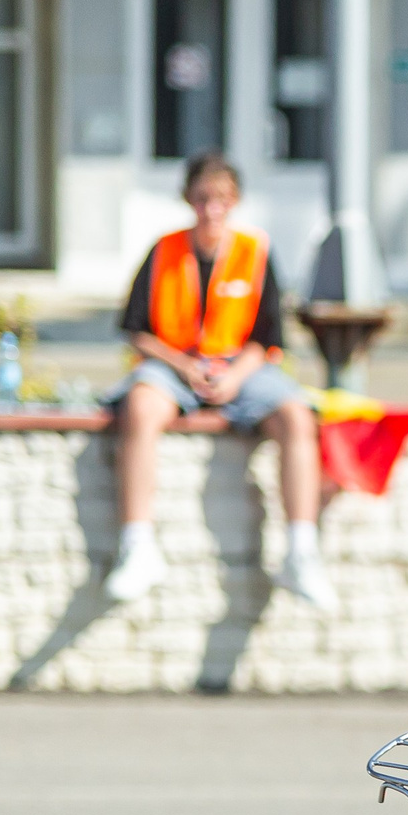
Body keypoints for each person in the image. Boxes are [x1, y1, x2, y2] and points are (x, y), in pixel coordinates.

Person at [103, 150, 333, 610]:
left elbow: (268, 339)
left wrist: (234, 377)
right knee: (141, 408)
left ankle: (301, 552)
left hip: (240, 368)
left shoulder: (255, 252)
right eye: (204, 198)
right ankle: (138, 544)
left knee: (295, 416)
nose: (212, 208)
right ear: (189, 199)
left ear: (236, 201)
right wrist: (183, 366)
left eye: (222, 199)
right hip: (175, 366)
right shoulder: (164, 250)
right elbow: (136, 330)